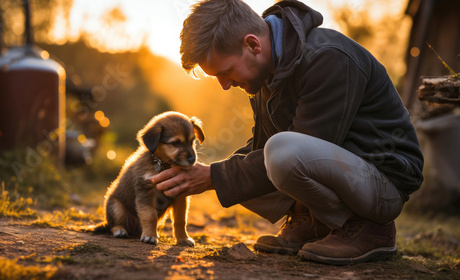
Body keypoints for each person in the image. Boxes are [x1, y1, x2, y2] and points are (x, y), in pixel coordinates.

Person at [152, 0, 424, 265]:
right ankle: (311, 220)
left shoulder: (327, 57)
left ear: (252, 44)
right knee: (246, 167)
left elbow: (303, 146)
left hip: (383, 182)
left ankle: (370, 229)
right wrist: (210, 173)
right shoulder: (264, 74)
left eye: (227, 72)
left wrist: (214, 177)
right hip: (342, 172)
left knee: (278, 155)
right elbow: (264, 149)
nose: (225, 85)